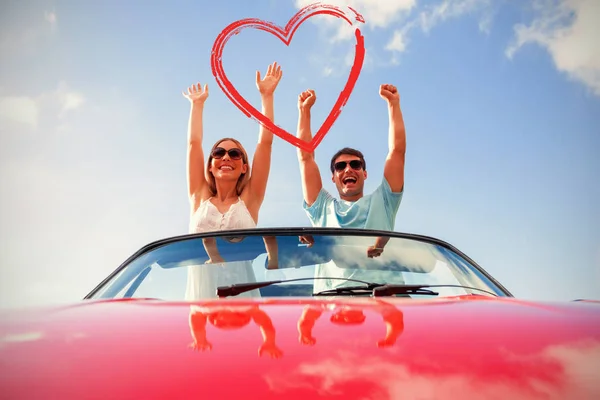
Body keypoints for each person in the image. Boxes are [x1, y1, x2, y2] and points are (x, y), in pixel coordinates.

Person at [182, 62, 283, 299]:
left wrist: (267, 97)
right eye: (218, 153)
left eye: (234, 153)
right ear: (210, 164)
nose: (226, 157)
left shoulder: (249, 200)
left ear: (244, 166)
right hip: (200, 301)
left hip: (243, 301)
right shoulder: (199, 197)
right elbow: (194, 144)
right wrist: (197, 105)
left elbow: (265, 145)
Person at [295, 84, 406, 292]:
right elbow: (305, 158)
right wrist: (304, 111)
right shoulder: (322, 209)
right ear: (334, 177)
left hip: (385, 301)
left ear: (364, 173)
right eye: (340, 166)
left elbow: (397, 152)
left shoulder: (384, 201)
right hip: (333, 304)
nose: (348, 169)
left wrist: (393, 105)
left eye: (355, 165)